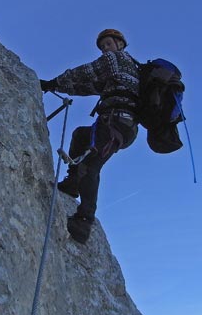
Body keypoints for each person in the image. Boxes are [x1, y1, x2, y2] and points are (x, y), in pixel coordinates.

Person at [40, 29, 139, 244]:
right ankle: (74, 182)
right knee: (81, 135)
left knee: (91, 166)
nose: (105, 49)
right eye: (103, 46)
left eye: (108, 44)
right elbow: (88, 86)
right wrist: (56, 86)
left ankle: (84, 221)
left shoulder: (116, 59)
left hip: (114, 121)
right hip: (123, 125)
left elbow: (86, 72)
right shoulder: (128, 70)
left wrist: (53, 82)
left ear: (120, 45)